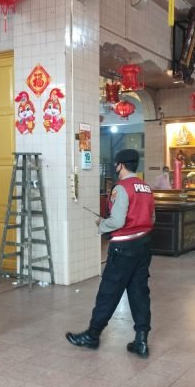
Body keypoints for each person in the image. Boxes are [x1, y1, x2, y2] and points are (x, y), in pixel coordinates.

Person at [66, 149, 155, 358]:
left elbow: (117, 221)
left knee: (109, 292)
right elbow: (152, 217)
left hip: (123, 248)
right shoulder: (146, 188)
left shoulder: (121, 188)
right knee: (139, 293)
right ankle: (141, 340)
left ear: (120, 165)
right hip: (143, 246)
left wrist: (101, 223)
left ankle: (92, 335)